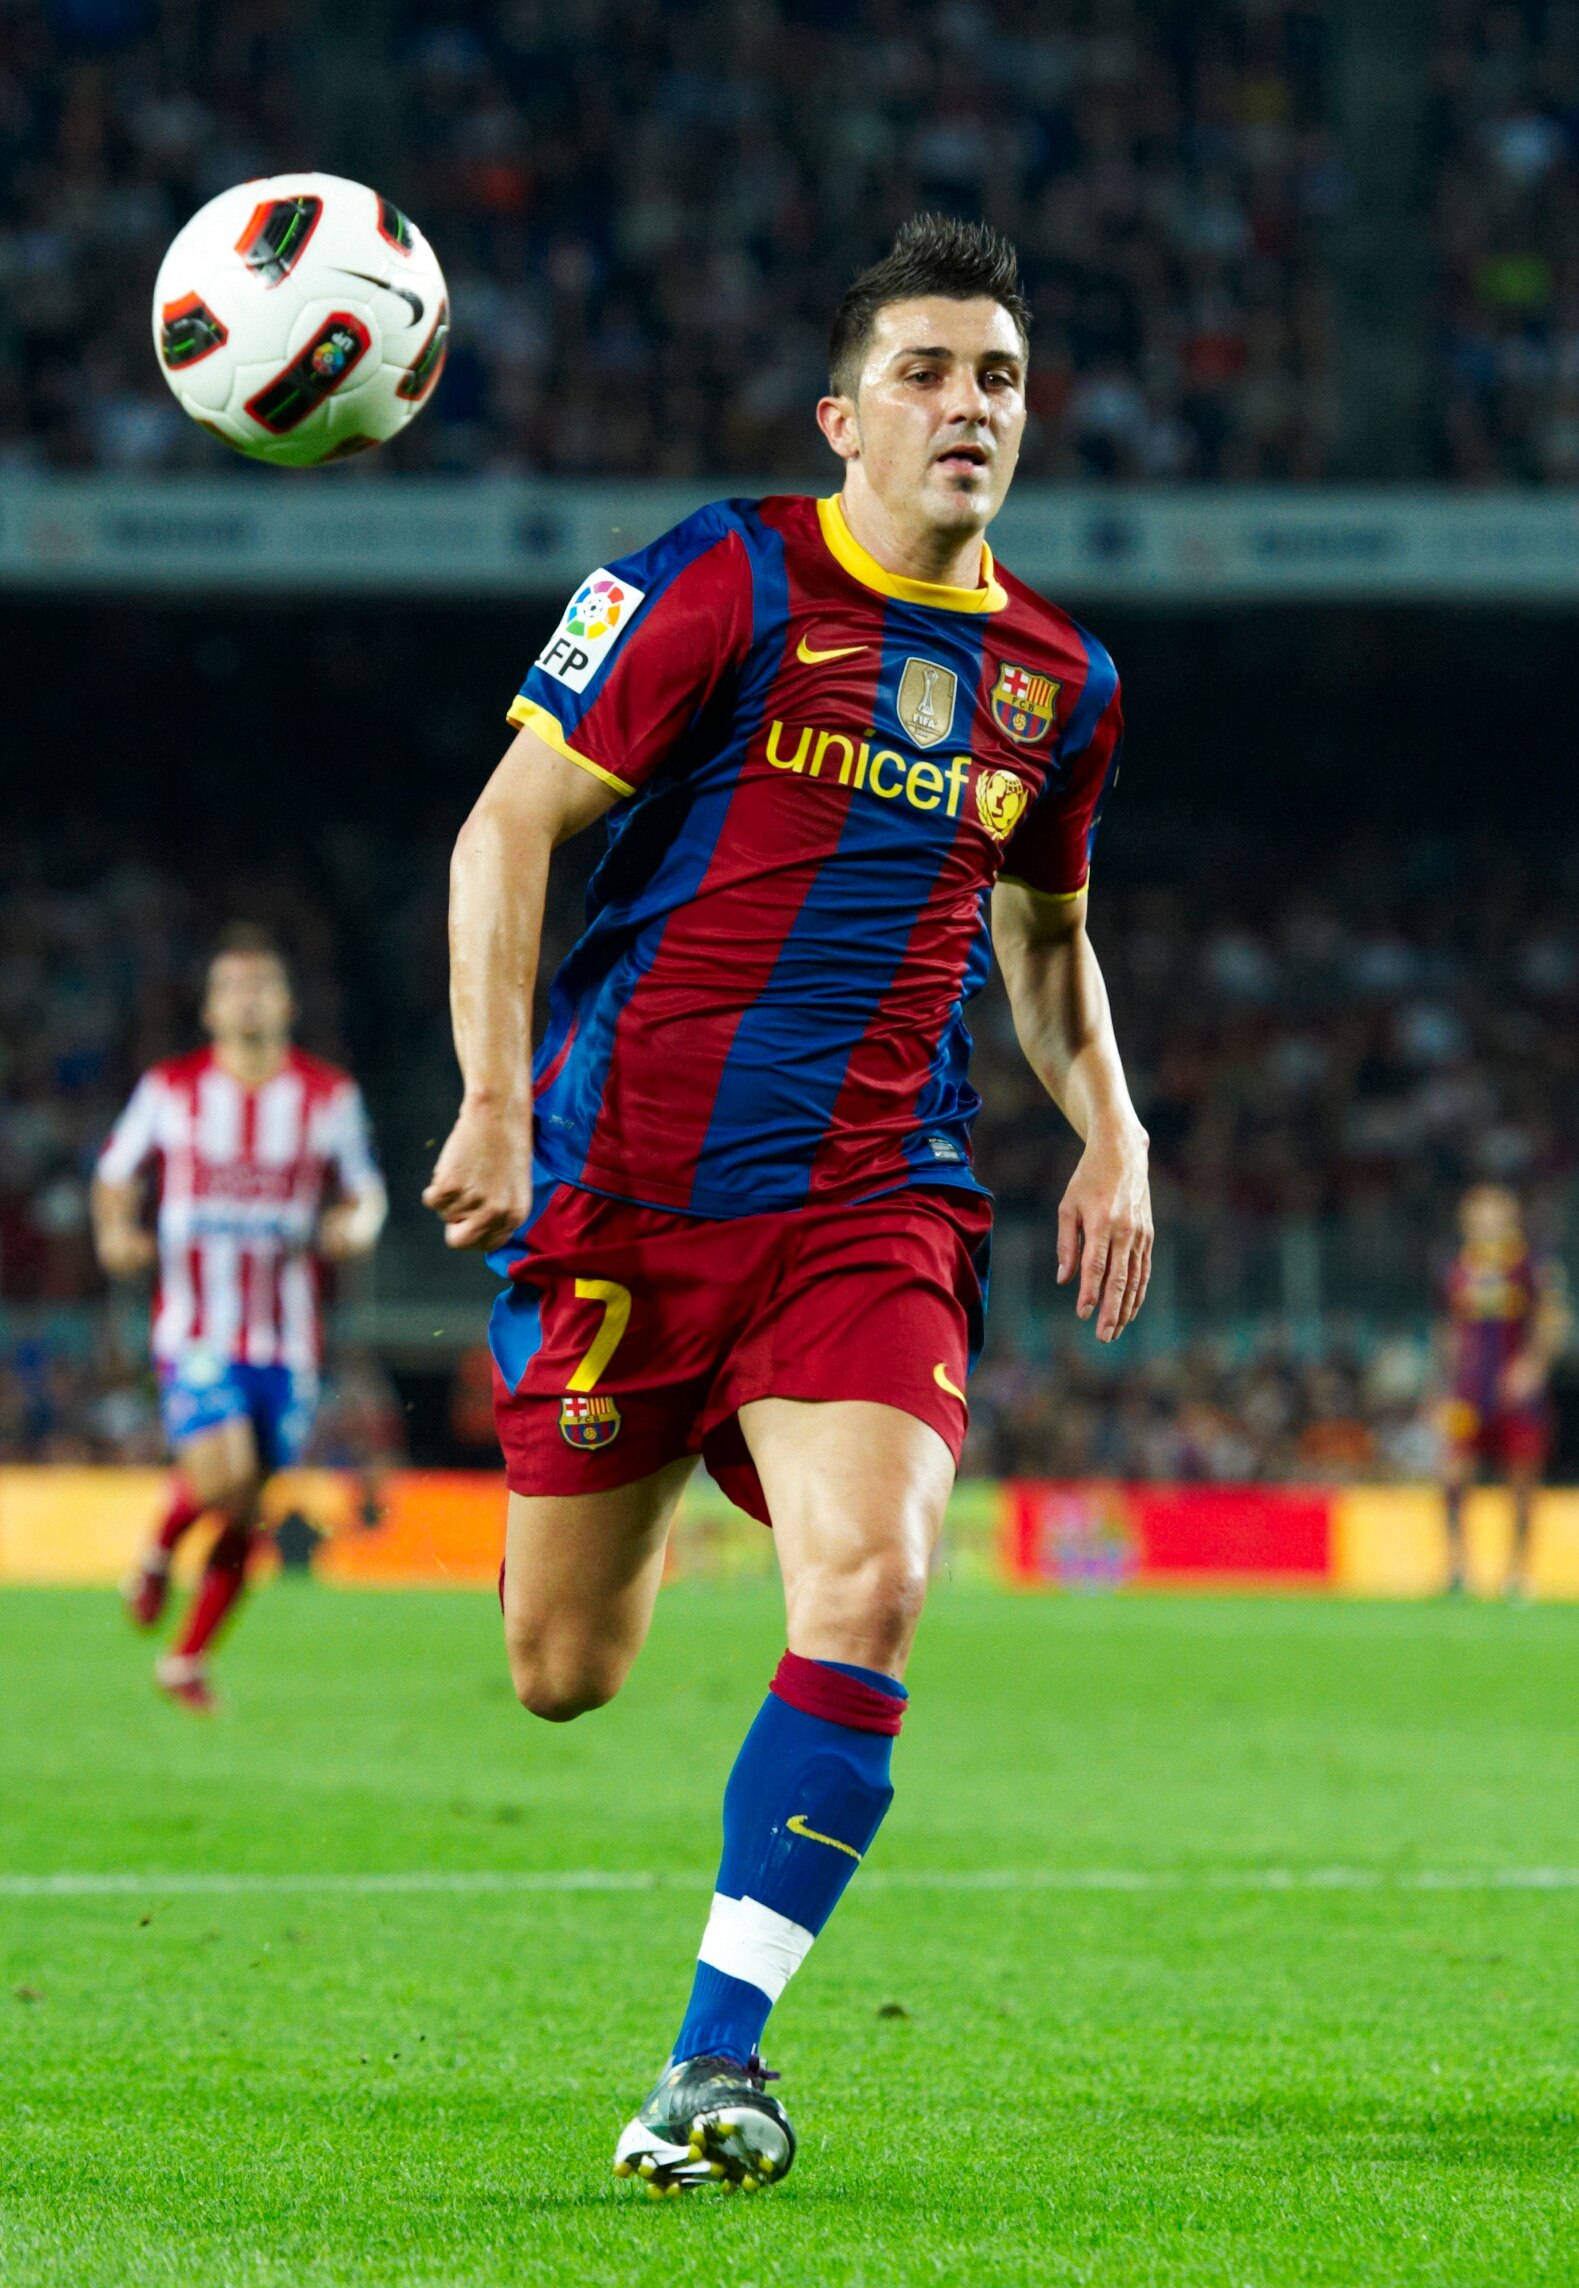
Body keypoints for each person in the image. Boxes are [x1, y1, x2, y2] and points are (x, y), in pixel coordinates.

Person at [424, 214, 1152, 2193]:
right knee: (563, 1671)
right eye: (926, 372)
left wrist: (1116, 1126)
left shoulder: (1059, 682)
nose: (967, 408)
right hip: (624, 1195)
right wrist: (494, 1099)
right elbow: (507, 828)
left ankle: (710, 2065)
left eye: (996, 376)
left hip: (868, 1205)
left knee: (877, 1577)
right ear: (845, 416)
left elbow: (1050, 938)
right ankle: (645, 1470)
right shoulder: (720, 573)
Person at [93, 924, 386, 1710]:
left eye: (263, 986)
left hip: (286, 1340)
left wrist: (352, 1228)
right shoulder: (170, 1089)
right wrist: (115, 1230)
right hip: (196, 1326)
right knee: (222, 1477)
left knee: (249, 1510)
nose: (249, 999)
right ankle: (157, 1555)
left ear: (286, 1003)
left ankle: (184, 1661)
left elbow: (363, 1191)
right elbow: (114, 1174)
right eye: (233, 987)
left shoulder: (328, 1097)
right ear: (212, 1008)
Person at [1439, 1183, 1568, 1598]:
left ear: (1509, 1218)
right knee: (1454, 1476)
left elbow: (1553, 1319)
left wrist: (1534, 1366)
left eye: (1494, 1213)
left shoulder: (1531, 1264)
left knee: (1522, 1481)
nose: (1486, 1221)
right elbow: (1450, 1330)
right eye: (1478, 1214)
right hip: (1469, 1392)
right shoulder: (1458, 1269)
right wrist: (1444, 1384)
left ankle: (1519, 1570)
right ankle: (1458, 1567)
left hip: (1517, 1394)